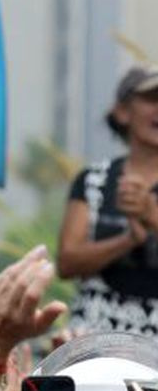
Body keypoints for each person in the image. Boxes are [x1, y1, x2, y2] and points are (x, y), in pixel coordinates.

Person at [60, 65, 158, 335]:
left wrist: (151, 216)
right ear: (123, 111)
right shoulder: (94, 180)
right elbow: (66, 263)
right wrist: (127, 240)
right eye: (152, 99)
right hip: (97, 338)